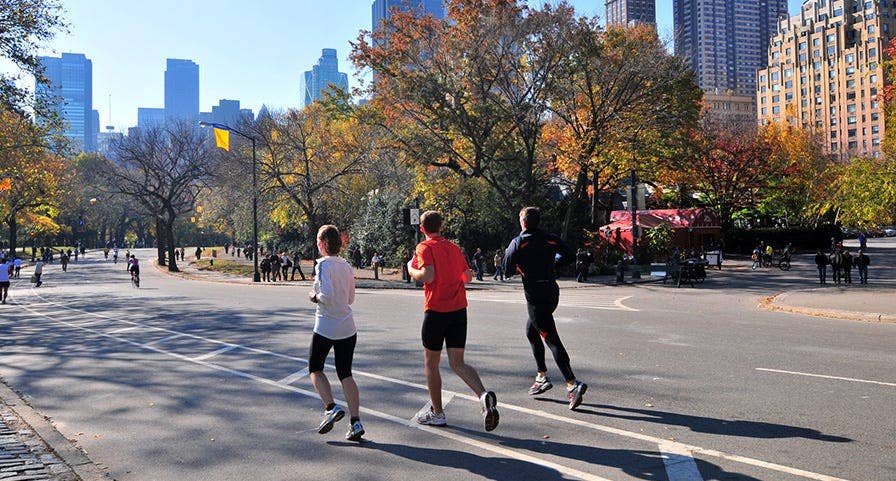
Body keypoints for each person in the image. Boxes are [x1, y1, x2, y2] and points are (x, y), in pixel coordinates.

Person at [406, 210, 499, 431]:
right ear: (442, 226)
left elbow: (428, 276)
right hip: (458, 311)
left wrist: (411, 268)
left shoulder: (424, 248)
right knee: (458, 362)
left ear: (422, 228)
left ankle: (437, 413)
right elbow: (467, 276)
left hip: (436, 310)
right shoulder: (454, 247)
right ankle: (483, 395)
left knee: (431, 363)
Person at [503, 206, 588, 410]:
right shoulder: (549, 238)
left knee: (551, 338)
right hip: (552, 292)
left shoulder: (518, 242)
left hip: (535, 296)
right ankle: (541, 376)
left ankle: (571, 383)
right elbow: (568, 255)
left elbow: (506, 270)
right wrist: (552, 264)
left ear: (522, 222)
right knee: (531, 332)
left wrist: (522, 266)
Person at [307, 225, 365, 441]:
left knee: (315, 367)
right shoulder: (347, 266)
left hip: (326, 325)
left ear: (322, 243)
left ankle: (330, 407)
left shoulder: (323, 265)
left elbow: (327, 295)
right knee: (345, 373)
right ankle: (356, 421)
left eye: (317, 241)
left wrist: (314, 296)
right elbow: (350, 298)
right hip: (347, 326)